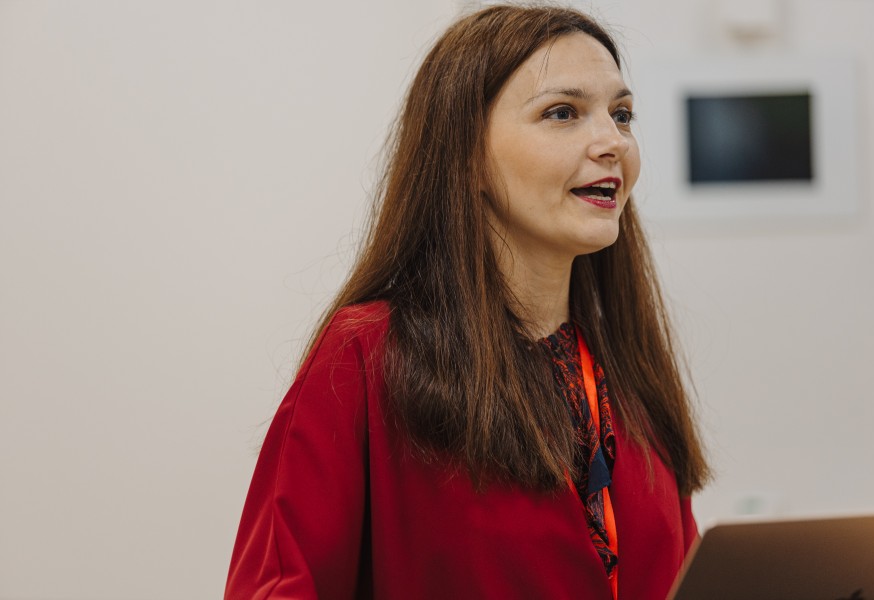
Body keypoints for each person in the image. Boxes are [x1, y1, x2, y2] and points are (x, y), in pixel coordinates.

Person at [225, 4, 711, 599]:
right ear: (466, 154)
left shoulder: (628, 371)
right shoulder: (366, 354)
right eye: (562, 112)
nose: (612, 142)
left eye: (622, 115)